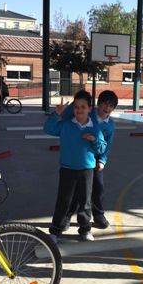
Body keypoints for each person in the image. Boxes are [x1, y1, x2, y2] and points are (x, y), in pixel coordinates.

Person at [44, 90, 107, 242]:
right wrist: (56, 114)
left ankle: (85, 230)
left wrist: (93, 140)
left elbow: (102, 148)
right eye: (76, 107)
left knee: (85, 202)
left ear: (89, 109)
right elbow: (48, 129)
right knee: (64, 201)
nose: (79, 110)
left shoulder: (95, 128)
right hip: (67, 169)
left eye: (83, 107)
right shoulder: (66, 125)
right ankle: (56, 230)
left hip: (86, 171)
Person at [61, 90, 118, 230]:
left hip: (95, 159)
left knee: (97, 188)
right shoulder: (88, 113)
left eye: (111, 105)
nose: (107, 108)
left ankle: (98, 216)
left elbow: (107, 145)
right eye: (104, 103)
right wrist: (65, 109)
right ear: (97, 104)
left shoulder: (110, 125)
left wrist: (102, 161)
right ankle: (66, 217)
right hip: (80, 157)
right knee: (74, 191)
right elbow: (68, 116)